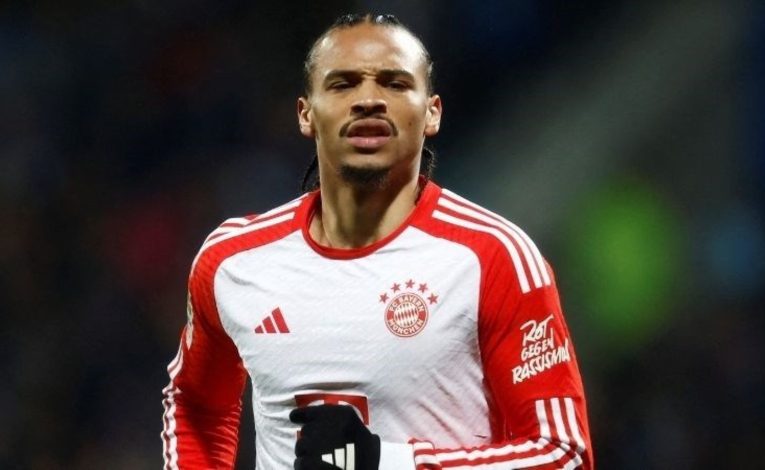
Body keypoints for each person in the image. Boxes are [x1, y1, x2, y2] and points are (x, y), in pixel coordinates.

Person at [161, 13, 593, 470]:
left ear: (432, 113)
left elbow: (564, 455)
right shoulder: (233, 262)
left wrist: (387, 462)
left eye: (395, 83)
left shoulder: (493, 258)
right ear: (306, 114)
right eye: (343, 84)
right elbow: (195, 407)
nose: (368, 100)